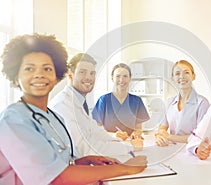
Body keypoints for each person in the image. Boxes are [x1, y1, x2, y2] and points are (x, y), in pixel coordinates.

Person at [0, 33, 147, 185]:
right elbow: (56, 178)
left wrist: (82, 161)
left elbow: (60, 161)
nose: (39, 75)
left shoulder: (54, 117)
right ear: (16, 76)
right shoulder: (13, 120)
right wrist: (125, 168)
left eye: (47, 69)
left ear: (57, 75)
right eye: (29, 69)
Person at [49, 53, 143, 157]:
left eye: (92, 73)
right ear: (70, 75)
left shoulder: (79, 102)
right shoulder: (62, 105)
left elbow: (95, 131)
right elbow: (84, 149)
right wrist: (130, 147)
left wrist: (119, 141)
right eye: (82, 72)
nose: (88, 77)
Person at [155, 60, 209, 146]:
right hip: (171, 150)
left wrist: (169, 137)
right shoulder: (169, 102)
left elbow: (200, 136)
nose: (182, 76)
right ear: (173, 78)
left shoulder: (202, 103)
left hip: (192, 151)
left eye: (186, 72)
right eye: (177, 73)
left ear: (193, 76)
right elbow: (162, 128)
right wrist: (160, 136)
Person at [92, 63, 150, 141]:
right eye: (118, 76)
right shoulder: (104, 100)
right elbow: (97, 129)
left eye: (125, 76)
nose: (121, 80)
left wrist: (136, 133)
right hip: (109, 143)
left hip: (130, 144)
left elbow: (138, 128)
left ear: (130, 78)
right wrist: (113, 135)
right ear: (112, 78)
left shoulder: (137, 101)